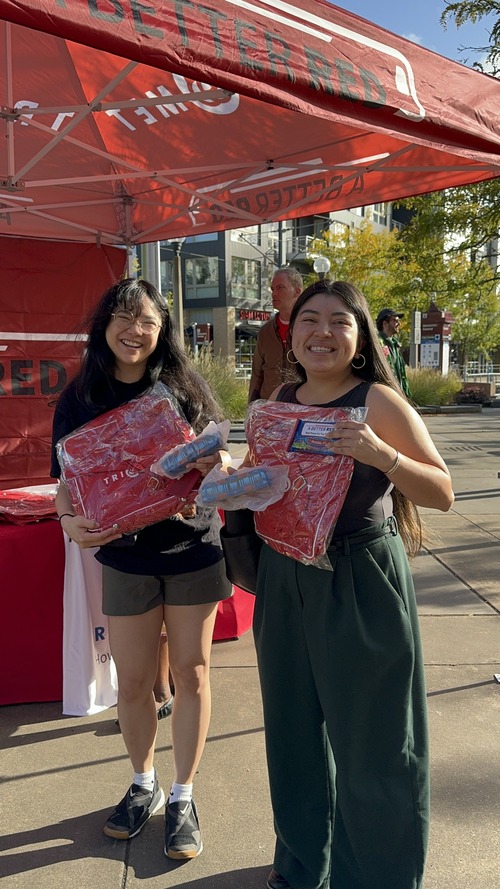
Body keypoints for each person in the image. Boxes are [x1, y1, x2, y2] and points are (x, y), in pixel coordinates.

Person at [247, 281, 454, 889]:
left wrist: (380, 454)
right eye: (309, 319)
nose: (322, 332)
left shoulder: (379, 401)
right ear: (292, 332)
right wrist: (228, 478)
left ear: (360, 336)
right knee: (292, 734)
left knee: (378, 744)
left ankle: (379, 877)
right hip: (283, 576)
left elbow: (441, 492)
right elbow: (271, 485)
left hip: (360, 578)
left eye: (339, 321)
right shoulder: (280, 399)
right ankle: (303, 864)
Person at [51, 278, 232, 859]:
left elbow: (220, 458)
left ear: (163, 330)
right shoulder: (79, 397)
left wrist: (217, 461)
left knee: (192, 672)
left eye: (148, 321)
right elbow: (67, 481)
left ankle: (183, 793)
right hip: (125, 555)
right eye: (125, 318)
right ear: (104, 326)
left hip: (191, 548)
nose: (136, 330)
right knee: (132, 682)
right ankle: (142, 783)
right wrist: (66, 521)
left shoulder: (183, 387)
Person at [248, 266, 303, 402]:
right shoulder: (266, 332)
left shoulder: (308, 328)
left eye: (280, 288)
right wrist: (251, 407)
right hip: (270, 409)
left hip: (300, 408)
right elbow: (257, 374)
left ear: (297, 292)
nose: (274, 294)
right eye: (273, 289)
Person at [376, 307, 412, 398]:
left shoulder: (395, 344)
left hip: (398, 394)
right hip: (386, 396)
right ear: (385, 323)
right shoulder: (378, 343)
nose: (399, 323)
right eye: (395, 321)